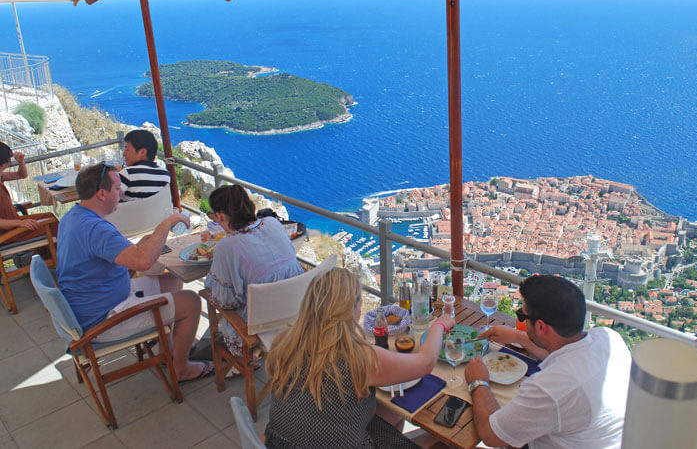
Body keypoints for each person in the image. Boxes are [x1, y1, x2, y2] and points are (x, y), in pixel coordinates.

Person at [265, 266, 456, 448]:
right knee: (443, 440)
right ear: (354, 309)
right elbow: (426, 363)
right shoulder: (356, 357)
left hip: (278, 443)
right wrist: (440, 325)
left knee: (390, 412)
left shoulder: (285, 342)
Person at [56, 163, 212, 382]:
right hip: (103, 320)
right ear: (102, 193)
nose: (122, 192)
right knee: (192, 302)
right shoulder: (96, 229)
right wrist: (167, 223)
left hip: (93, 302)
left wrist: (146, 244)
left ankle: (169, 349)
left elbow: (124, 255)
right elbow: (144, 262)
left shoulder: (72, 217)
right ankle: (182, 368)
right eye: (118, 188)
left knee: (171, 280)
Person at [464, 274, 632, 449]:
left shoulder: (550, 388)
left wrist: (478, 381)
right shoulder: (609, 338)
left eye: (522, 316)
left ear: (541, 327)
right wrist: (517, 337)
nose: (520, 319)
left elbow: (492, 436)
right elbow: (560, 354)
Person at [203, 184, 304, 356]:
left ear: (219, 216)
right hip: (296, 314)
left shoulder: (227, 248)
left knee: (213, 294)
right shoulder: (273, 223)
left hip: (260, 328)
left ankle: (233, 362)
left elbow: (224, 301)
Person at [0, 142, 58, 243]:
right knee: (50, 223)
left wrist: (21, 162)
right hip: (8, 233)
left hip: (14, 224)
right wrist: (19, 223)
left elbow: (21, 175)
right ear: (3, 165)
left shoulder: (1, 176)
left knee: (49, 217)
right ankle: (64, 256)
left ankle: (52, 256)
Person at [119, 129, 170, 201]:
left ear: (142, 152)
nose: (124, 154)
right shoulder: (165, 175)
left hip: (129, 212)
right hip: (156, 212)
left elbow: (109, 200)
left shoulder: (128, 174)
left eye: (127, 149)